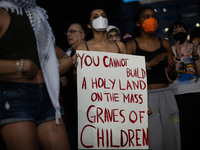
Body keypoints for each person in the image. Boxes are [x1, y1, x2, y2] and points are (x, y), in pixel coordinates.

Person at [0, 1, 72, 150]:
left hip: (47, 96)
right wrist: (20, 65)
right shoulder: (2, 12)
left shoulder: (38, 15)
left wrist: (66, 61)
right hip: (15, 97)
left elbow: (52, 50)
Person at [125, 6, 181, 150]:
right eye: (146, 17)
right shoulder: (131, 46)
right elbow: (126, 75)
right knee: (153, 140)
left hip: (167, 94)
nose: (151, 20)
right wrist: (148, 64)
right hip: (145, 97)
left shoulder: (165, 43)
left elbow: (172, 77)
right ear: (138, 23)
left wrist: (171, 70)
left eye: (154, 17)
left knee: (172, 137)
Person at [168, 21, 200, 150]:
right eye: (175, 31)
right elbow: (171, 78)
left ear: (186, 32)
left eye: (182, 29)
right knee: (183, 130)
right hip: (177, 94)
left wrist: (196, 56)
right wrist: (178, 58)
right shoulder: (170, 51)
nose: (179, 32)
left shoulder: (196, 48)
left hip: (196, 91)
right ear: (171, 36)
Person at [60, 23, 86, 150]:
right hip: (72, 118)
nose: (68, 34)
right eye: (67, 32)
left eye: (72, 31)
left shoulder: (94, 55)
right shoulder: (64, 57)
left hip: (92, 116)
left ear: (82, 35)